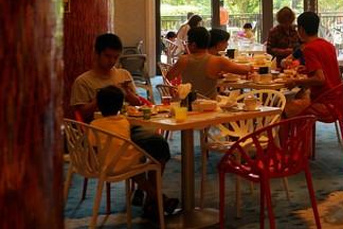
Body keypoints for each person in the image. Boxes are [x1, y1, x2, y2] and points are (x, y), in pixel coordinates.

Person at [70, 34, 177, 216]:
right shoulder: (84, 81)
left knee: (158, 144)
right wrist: (101, 98)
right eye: (107, 56)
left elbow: (137, 103)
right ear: (96, 54)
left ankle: (149, 198)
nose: (111, 61)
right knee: (124, 150)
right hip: (101, 131)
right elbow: (81, 114)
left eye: (115, 57)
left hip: (128, 124)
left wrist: (127, 93)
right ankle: (156, 198)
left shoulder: (123, 75)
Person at [92, 86, 178, 218]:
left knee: (131, 164)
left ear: (98, 105)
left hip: (103, 166)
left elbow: (93, 148)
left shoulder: (93, 125)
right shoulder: (124, 122)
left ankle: (153, 199)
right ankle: (159, 199)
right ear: (121, 105)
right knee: (142, 159)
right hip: (127, 165)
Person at [285, 11, 343, 117]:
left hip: (324, 103)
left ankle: (300, 127)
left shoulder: (309, 49)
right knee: (299, 96)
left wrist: (295, 81)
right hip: (339, 100)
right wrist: (307, 69)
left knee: (283, 108)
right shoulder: (328, 45)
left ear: (301, 30)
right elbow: (328, 70)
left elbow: (320, 79)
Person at [167, 27, 251, 99]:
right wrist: (251, 67)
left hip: (187, 105)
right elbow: (243, 70)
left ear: (193, 44)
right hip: (210, 106)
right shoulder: (218, 60)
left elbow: (168, 78)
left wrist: (173, 89)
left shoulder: (183, 59)